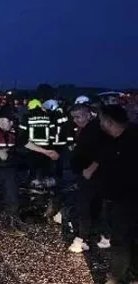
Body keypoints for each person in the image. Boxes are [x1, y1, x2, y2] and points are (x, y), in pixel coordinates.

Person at [97, 105, 138, 284]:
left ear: (109, 122)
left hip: (126, 200)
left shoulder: (126, 142)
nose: (100, 124)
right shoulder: (124, 137)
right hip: (123, 197)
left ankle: (116, 277)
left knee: (121, 241)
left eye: (101, 120)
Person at [67, 103, 111, 253]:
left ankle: (81, 239)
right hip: (89, 173)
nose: (76, 120)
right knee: (96, 206)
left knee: (84, 206)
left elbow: (103, 152)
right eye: (74, 117)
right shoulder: (86, 128)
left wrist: (90, 169)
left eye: (79, 116)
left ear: (87, 114)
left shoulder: (95, 130)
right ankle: (105, 235)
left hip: (91, 174)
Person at [18, 99, 60, 188]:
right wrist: (52, 145)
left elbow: (22, 133)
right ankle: (48, 187)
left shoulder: (27, 116)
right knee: (46, 168)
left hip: (32, 148)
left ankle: (34, 185)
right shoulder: (48, 116)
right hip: (47, 147)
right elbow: (53, 132)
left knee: (33, 168)